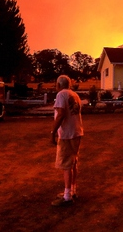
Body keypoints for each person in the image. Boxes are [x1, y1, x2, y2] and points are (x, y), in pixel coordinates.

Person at [50, 75, 84, 206]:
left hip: (66, 134)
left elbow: (61, 115)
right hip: (77, 132)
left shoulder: (61, 95)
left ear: (58, 84)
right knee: (73, 162)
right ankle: (72, 190)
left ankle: (67, 195)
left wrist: (53, 132)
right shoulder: (75, 95)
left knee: (66, 164)